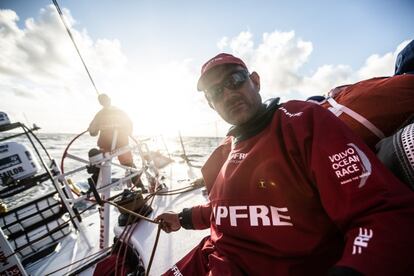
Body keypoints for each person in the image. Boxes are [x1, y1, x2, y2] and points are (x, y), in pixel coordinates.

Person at [155, 53, 414, 276]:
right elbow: (226, 211)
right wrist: (182, 218)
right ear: (212, 105)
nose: (228, 93)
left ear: (255, 81)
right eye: (216, 92)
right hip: (208, 258)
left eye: (234, 80)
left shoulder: (302, 123)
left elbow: (382, 213)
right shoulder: (225, 151)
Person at [88, 93, 144, 190]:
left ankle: (92, 191)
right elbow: (130, 127)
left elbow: (93, 132)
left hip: (106, 146)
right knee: (129, 165)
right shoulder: (121, 112)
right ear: (109, 99)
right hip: (122, 144)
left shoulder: (99, 115)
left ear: (101, 103)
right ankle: (140, 187)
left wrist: (92, 128)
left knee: (100, 165)